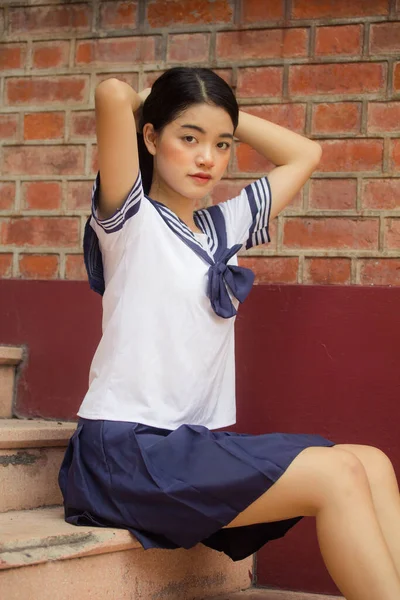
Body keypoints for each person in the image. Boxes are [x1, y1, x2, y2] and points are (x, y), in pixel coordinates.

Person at [59, 67, 400, 600]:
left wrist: (222, 119)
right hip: (126, 454)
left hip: (188, 449)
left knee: (373, 463)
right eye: (188, 138)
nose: (206, 158)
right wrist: (156, 99)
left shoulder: (224, 227)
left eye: (221, 145)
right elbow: (109, 93)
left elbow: (304, 154)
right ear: (149, 137)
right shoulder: (130, 219)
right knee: (337, 475)